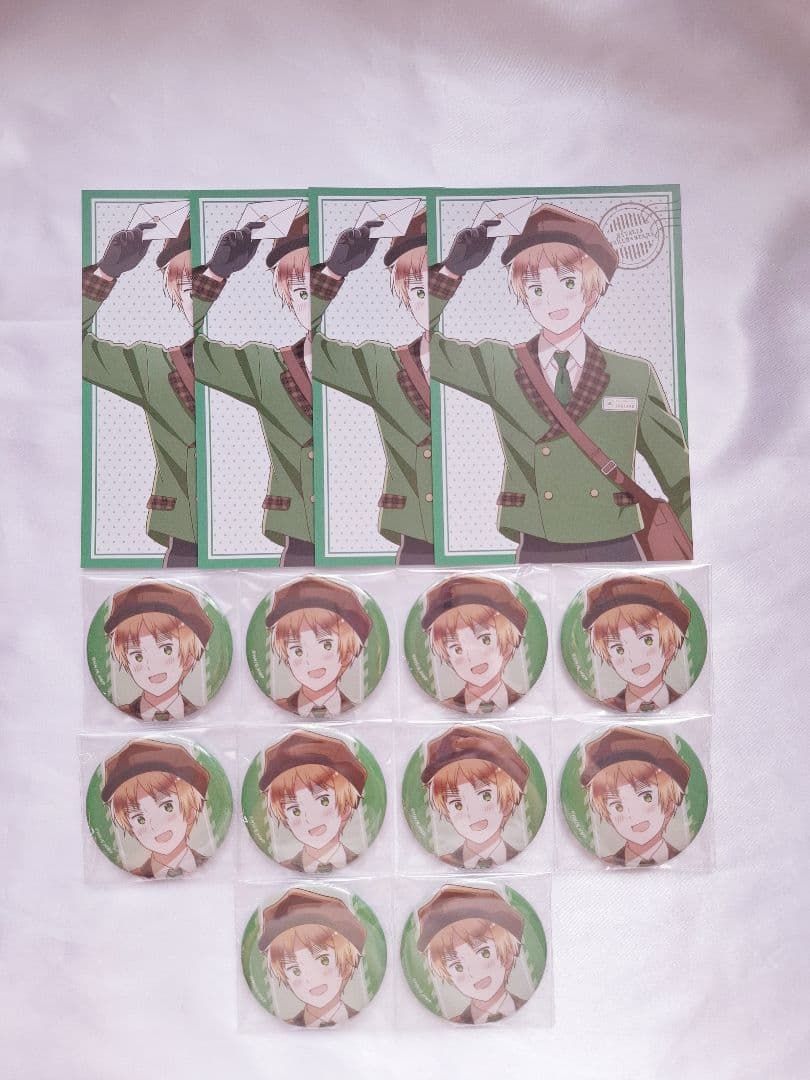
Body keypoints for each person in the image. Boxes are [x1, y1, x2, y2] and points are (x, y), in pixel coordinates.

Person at [431, 203, 691, 562]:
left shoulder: (633, 376)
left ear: (593, 286)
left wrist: (690, 546)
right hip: (538, 541)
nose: (553, 301)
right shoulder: (498, 365)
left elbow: (681, 477)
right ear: (522, 294)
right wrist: (451, 271)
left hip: (616, 538)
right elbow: (426, 353)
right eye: (536, 288)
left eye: (568, 282)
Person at [311, 208, 456, 564]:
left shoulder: (491, 361)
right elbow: (313, 354)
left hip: (474, 531)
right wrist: (333, 273)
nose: (430, 299)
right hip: (413, 532)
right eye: (418, 289)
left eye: (441, 284)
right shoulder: (382, 366)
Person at [193, 210, 316, 565]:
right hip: (299, 534)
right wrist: (215, 275)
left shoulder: (381, 363)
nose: (315, 302)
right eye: (302, 290)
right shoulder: (266, 368)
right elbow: (194, 355)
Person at [82, 216, 198, 566]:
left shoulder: (272, 363)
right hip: (186, 535)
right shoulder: (154, 368)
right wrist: (105, 273)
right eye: (190, 288)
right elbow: (71, 349)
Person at [580, 726, 690, 867]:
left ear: (670, 803)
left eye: (646, 797)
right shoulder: (605, 862)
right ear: (609, 817)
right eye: (618, 806)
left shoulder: (685, 859)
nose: (633, 815)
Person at [421, 725, 529, 869]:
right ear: (447, 814)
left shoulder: (526, 859)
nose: (473, 814)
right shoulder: (440, 862)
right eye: (457, 804)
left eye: (486, 796)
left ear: (508, 801)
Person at [104, 581, 213, 721]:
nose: (152, 666)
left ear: (189, 657)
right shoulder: (119, 714)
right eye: (138, 656)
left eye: (167, 650)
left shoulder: (202, 713)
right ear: (127, 664)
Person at [102, 738, 209, 879]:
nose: (156, 825)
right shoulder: (133, 874)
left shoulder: (215, 867)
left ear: (190, 809)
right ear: (131, 828)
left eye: (167, 807)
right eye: (140, 819)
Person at [260, 731, 367, 872]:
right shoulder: (282, 867)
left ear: (346, 807)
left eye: (323, 801)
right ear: (286, 820)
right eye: (295, 810)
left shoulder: (365, 863)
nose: (309, 819)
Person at [417, 884, 525, 1024]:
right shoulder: (451, 1027)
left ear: (508, 955)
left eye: (484, 953)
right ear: (450, 977)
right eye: (458, 967)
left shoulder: (534, 1010)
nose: (473, 973)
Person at [582, 575, 691, 713]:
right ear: (609, 659)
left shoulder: (687, 704)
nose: (634, 658)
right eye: (619, 649)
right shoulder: (605, 706)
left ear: (670, 646)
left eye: (647, 640)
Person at [259, 888, 365, 1028]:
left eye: (323, 960)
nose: (311, 978)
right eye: (295, 970)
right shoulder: (280, 1027)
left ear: (346, 960)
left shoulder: (367, 1020)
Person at [266, 577, 372, 717]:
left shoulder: (361, 711)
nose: (311, 661)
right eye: (298, 651)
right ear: (288, 659)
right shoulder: (277, 708)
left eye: (326, 645)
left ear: (347, 654)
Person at [421, 575, 527, 714]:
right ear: (447, 656)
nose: (473, 658)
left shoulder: (526, 705)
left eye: (485, 640)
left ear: (508, 639)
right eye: (457, 649)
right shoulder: (442, 708)